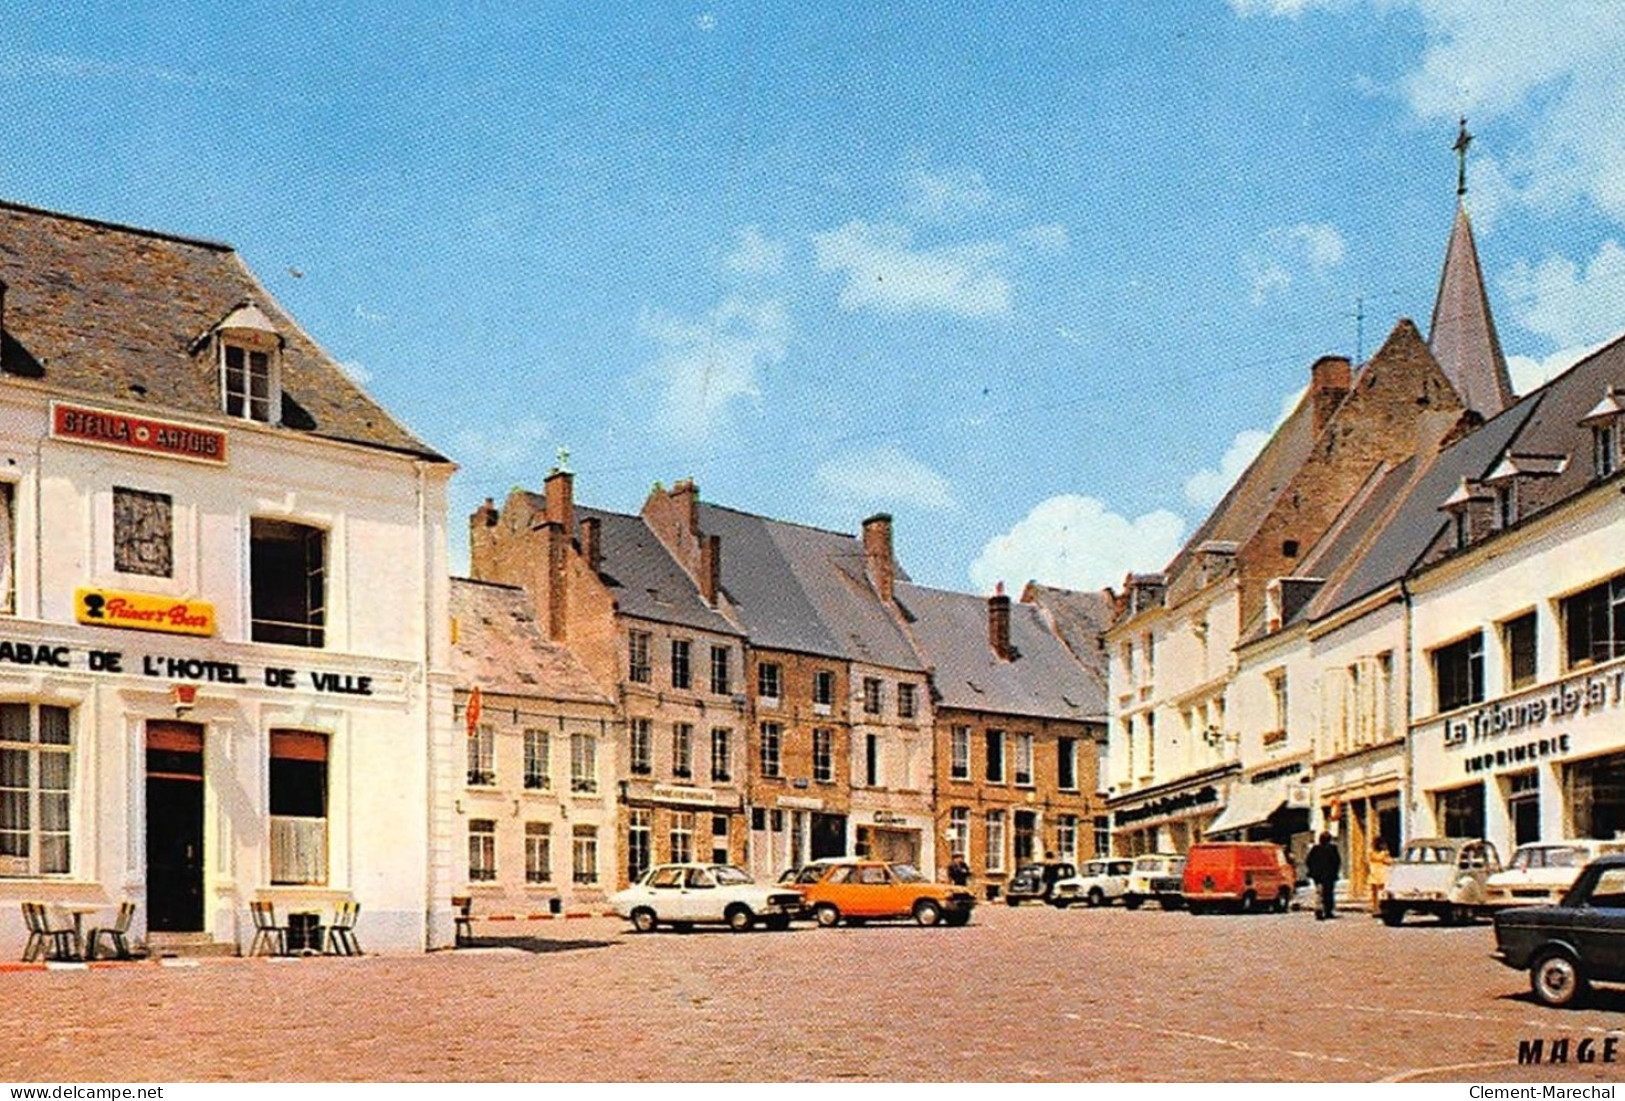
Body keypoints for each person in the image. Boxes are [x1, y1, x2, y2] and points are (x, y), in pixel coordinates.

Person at [1306, 831, 1342, 920]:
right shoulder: (1332, 848)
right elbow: (1337, 861)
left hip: (1317, 875)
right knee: (1328, 893)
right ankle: (1328, 911)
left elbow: (1308, 861)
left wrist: (1313, 871)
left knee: (1319, 892)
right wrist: (1335, 872)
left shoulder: (1315, 849)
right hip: (1329, 875)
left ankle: (1319, 908)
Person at [1367, 837, 1392, 913]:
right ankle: (1381, 908)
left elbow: (1367, 860)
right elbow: (1388, 861)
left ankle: (1375, 908)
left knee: (1374, 893)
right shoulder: (1384, 853)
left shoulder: (1370, 852)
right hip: (1382, 872)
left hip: (1373, 872)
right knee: (1382, 892)